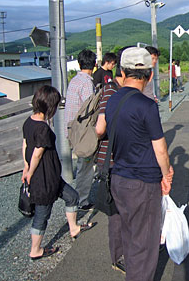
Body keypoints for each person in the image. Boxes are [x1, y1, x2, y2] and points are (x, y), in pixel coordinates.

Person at [105, 47, 174, 281]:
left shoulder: (112, 99)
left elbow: (101, 131)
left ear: (122, 72)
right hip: (143, 183)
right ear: (150, 75)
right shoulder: (147, 105)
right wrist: (167, 175)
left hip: (118, 178)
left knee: (129, 234)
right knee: (144, 245)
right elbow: (160, 149)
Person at [22, 85, 95, 260]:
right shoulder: (43, 129)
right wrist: (30, 172)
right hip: (44, 178)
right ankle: (35, 249)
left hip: (52, 177)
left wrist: (25, 166)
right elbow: (38, 153)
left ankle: (74, 228)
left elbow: (25, 145)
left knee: (72, 197)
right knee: (42, 214)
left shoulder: (29, 122)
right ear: (50, 106)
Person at [95, 47, 127, 274]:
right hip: (111, 160)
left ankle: (124, 252)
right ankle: (117, 257)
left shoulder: (124, 92)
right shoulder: (110, 91)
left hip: (123, 160)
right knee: (116, 212)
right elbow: (99, 129)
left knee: (124, 210)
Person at [65, 49, 97, 211]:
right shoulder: (86, 83)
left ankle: (78, 198)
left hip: (71, 129)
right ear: (95, 64)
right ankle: (81, 201)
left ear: (79, 63)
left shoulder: (74, 80)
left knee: (82, 164)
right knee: (85, 167)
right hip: (82, 131)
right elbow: (89, 109)